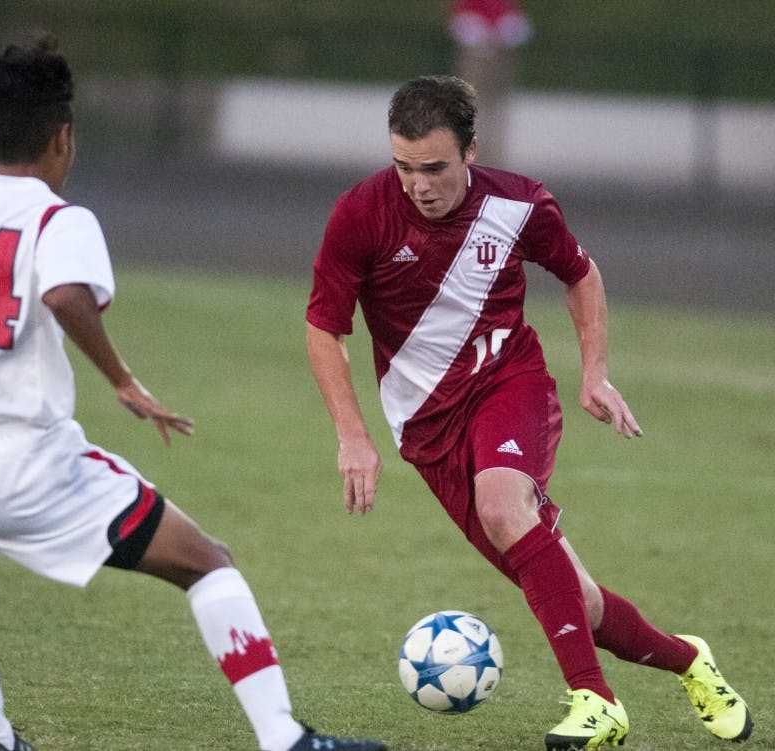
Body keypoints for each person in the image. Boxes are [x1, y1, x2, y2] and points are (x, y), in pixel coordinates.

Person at [0, 38, 386, 751]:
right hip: (29, 466)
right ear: (63, 136)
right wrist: (123, 380)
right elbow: (65, 291)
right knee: (207, 561)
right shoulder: (60, 219)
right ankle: (284, 739)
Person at [304, 75, 752, 749]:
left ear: (470, 152)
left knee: (503, 504)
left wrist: (594, 371)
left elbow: (580, 273)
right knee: (579, 600)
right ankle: (691, 661)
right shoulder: (362, 214)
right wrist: (352, 435)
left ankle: (595, 701)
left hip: (510, 385)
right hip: (426, 429)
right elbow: (323, 327)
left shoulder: (518, 204)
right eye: (403, 167)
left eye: (434, 168)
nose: (418, 185)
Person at [446, 0, 532, 168]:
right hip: (477, 43)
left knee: (494, 105)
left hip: (499, 43)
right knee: (470, 102)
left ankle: (491, 157)